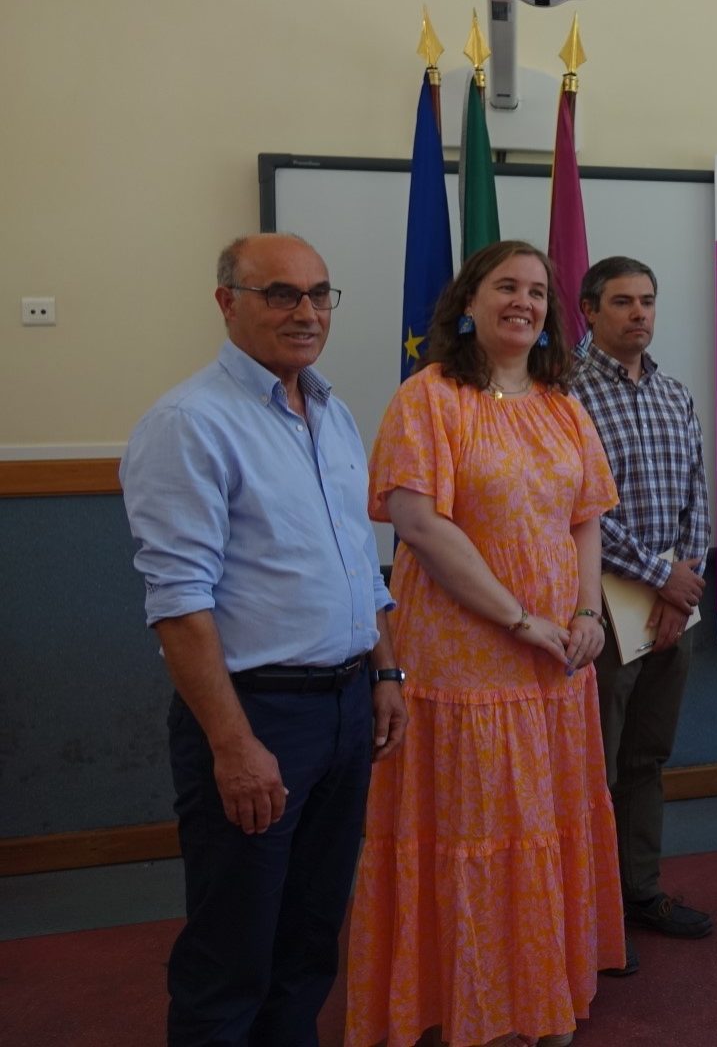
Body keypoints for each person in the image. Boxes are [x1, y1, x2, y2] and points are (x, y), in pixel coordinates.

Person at [122, 233, 407, 1046]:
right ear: (227, 303)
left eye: (319, 294)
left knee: (311, 939)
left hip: (349, 707)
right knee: (233, 950)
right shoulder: (189, 424)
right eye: (281, 294)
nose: (306, 312)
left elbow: (361, 562)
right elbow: (179, 605)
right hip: (259, 718)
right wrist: (234, 744)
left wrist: (387, 672)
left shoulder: (332, 411)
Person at [344, 240, 625, 1047]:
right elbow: (420, 525)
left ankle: (535, 998)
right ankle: (471, 1006)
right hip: (469, 662)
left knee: (542, 831)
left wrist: (584, 616)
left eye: (538, 291)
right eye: (507, 286)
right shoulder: (427, 398)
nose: (525, 302)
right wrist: (519, 619)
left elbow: (585, 519)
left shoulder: (562, 404)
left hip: (556, 667)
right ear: (468, 301)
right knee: (478, 838)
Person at [571, 256, 715, 942]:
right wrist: (661, 577)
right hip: (598, 606)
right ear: (589, 311)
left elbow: (697, 494)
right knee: (594, 765)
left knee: (647, 759)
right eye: (623, 301)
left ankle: (641, 893)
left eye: (648, 301)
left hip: (670, 612)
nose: (639, 314)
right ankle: (591, 916)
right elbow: (579, 511)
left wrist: (681, 588)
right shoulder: (562, 395)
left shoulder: (674, 393)